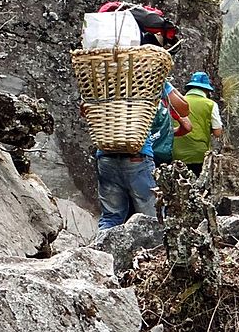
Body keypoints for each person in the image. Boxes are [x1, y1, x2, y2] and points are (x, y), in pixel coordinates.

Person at [86, 79, 189, 230]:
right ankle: (152, 252)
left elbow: (85, 109)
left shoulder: (104, 79)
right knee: (152, 217)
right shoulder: (147, 77)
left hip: (106, 154)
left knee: (111, 217)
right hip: (137, 155)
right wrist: (164, 83)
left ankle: (100, 251)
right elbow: (184, 109)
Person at [172, 71, 223, 176]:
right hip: (198, 155)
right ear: (206, 90)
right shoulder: (211, 104)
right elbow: (217, 132)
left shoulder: (177, 102)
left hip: (174, 153)